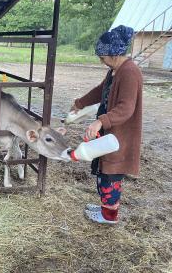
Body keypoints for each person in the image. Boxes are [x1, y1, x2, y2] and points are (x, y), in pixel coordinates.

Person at [71, 25, 142, 224]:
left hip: (120, 134)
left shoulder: (129, 72)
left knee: (111, 174)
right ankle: (105, 208)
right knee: (104, 171)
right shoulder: (115, 70)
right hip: (110, 132)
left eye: (103, 57)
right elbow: (101, 90)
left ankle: (109, 216)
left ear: (114, 53)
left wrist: (100, 121)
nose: (101, 61)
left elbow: (126, 108)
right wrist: (80, 102)